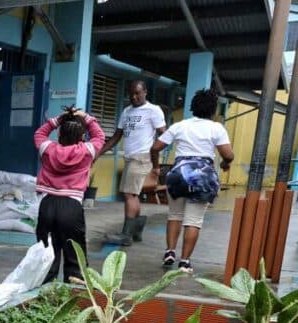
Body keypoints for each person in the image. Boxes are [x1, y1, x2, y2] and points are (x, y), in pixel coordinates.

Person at [150, 89, 233, 274]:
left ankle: (170, 252)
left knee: (174, 216)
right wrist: (226, 163)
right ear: (213, 110)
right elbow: (228, 154)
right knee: (193, 221)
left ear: (193, 107)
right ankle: (185, 262)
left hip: (178, 174)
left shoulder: (180, 126)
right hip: (202, 178)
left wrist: (155, 166)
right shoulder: (216, 128)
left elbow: (155, 147)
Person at [33, 107, 106, 282]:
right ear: (82, 138)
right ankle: (73, 291)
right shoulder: (87, 151)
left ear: (59, 136)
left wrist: (57, 120)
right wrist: (87, 117)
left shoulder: (48, 149)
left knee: (46, 253)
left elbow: (39, 133)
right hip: (71, 206)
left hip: (47, 204)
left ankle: (43, 291)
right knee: (75, 253)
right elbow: (99, 136)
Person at [97, 81, 166, 244]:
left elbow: (164, 134)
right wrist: (98, 152)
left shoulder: (153, 110)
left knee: (130, 195)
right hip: (129, 159)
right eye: (131, 94)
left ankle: (126, 235)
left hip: (142, 158)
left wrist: (155, 157)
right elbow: (116, 136)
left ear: (145, 92)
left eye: (137, 93)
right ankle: (136, 229)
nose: (134, 97)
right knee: (133, 195)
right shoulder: (127, 111)